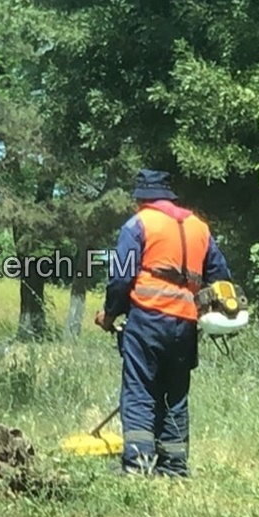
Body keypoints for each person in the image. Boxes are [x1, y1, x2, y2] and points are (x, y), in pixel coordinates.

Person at [95, 169, 232, 476]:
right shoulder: (200, 228)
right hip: (185, 323)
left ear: (141, 199)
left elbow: (121, 278)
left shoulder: (137, 225)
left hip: (147, 317)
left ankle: (138, 465)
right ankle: (174, 467)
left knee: (140, 391)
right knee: (175, 395)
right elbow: (222, 277)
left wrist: (110, 315)